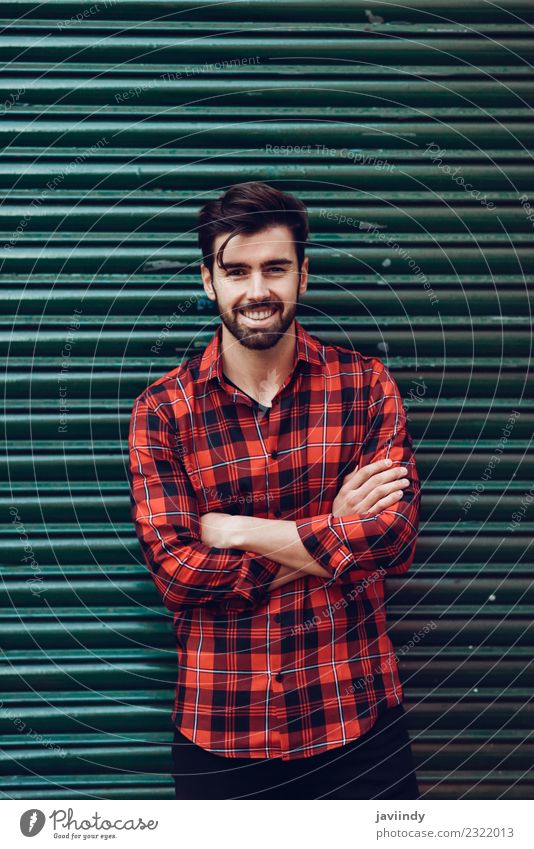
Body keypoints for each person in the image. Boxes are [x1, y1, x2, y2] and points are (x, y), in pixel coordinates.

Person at [128, 182, 421, 800]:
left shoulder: (366, 386)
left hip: (357, 720)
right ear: (209, 281)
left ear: (303, 275)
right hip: (222, 730)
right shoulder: (162, 411)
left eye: (275, 268)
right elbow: (178, 575)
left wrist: (235, 531)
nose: (257, 291)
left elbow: (391, 541)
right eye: (236, 270)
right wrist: (332, 530)